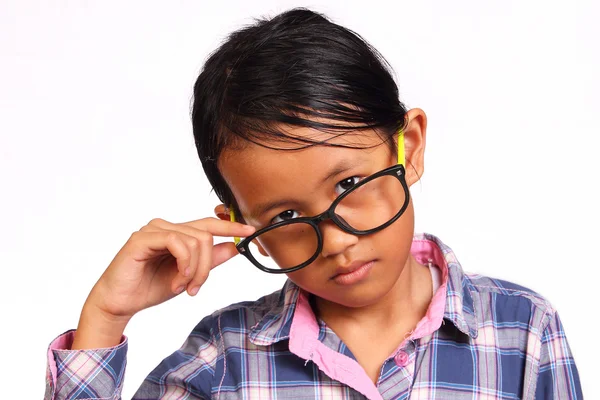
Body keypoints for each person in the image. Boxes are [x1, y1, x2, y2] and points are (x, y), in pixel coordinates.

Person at [43, 8, 582, 400]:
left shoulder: (522, 332)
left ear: (409, 147)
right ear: (238, 225)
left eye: (349, 186)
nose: (339, 241)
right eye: (286, 217)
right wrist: (105, 318)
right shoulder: (225, 359)